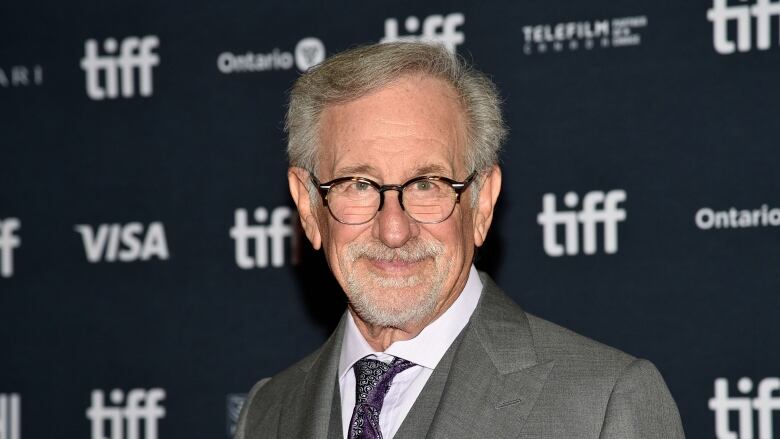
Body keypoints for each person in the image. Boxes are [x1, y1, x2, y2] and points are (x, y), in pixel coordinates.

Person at [235, 42, 685, 439]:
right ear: (310, 207)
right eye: (358, 185)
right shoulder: (267, 411)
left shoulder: (604, 404)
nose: (394, 230)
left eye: (427, 184)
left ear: (482, 203)